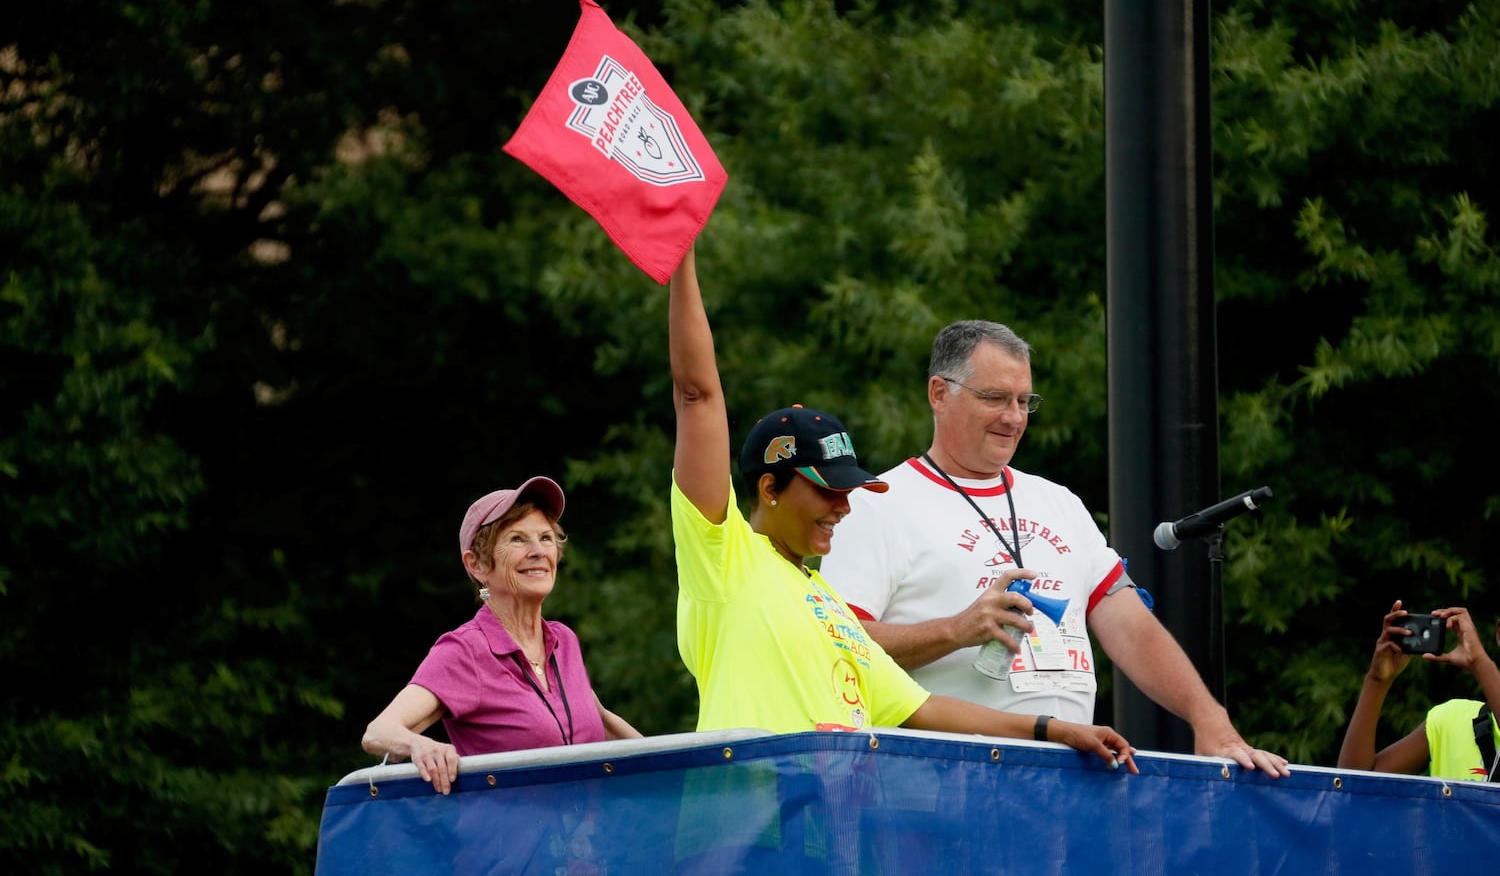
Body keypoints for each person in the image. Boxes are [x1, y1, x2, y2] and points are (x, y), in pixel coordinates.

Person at [667, 244, 1137, 771]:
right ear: (771, 488)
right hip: (747, 831)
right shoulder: (726, 560)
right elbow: (697, 395)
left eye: (849, 491)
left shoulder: (824, 603)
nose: (843, 508)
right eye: (826, 490)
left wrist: (1057, 730)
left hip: (827, 834)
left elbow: (922, 706)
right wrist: (681, 257)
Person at [818, 319, 1290, 777]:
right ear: (939, 394)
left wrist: (1211, 722)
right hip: (940, 789)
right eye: (995, 398)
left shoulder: (1057, 501)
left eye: (1025, 401)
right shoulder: (876, 503)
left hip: (1065, 789)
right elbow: (836, 645)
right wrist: (955, 630)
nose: (1014, 417)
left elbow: (1129, 624)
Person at [362, 477, 641, 793]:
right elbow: (378, 732)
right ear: (477, 565)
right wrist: (422, 746)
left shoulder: (564, 641)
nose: (538, 551)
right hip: (510, 841)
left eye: (546, 538)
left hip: (590, 840)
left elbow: (599, 721)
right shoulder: (464, 650)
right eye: (518, 539)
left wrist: (682, 773)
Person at [1337, 600, 1500, 780]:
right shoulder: (1450, 720)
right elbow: (1352, 785)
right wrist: (1377, 681)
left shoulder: (1482, 667)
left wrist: (1480, 663)